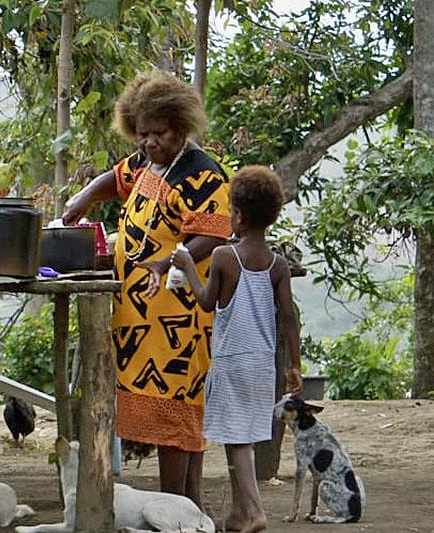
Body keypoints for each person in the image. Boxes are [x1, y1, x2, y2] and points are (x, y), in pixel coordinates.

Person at [62, 71, 231, 506]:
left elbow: (213, 235)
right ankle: (186, 508)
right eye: (141, 135)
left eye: (158, 134)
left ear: (180, 126)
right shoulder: (147, 163)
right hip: (140, 317)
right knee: (164, 413)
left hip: (177, 316)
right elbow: (115, 179)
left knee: (175, 411)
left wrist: (169, 258)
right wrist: (83, 198)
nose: (148, 143)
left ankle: (174, 506)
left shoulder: (202, 175)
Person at [170, 165, 303, 533]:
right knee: (237, 438)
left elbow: (207, 301)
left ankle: (256, 510)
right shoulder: (278, 264)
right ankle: (238, 513)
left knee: (238, 440)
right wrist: (295, 364)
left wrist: (187, 267)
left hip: (231, 362)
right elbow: (288, 316)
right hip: (263, 365)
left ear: (239, 216)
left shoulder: (224, 258)